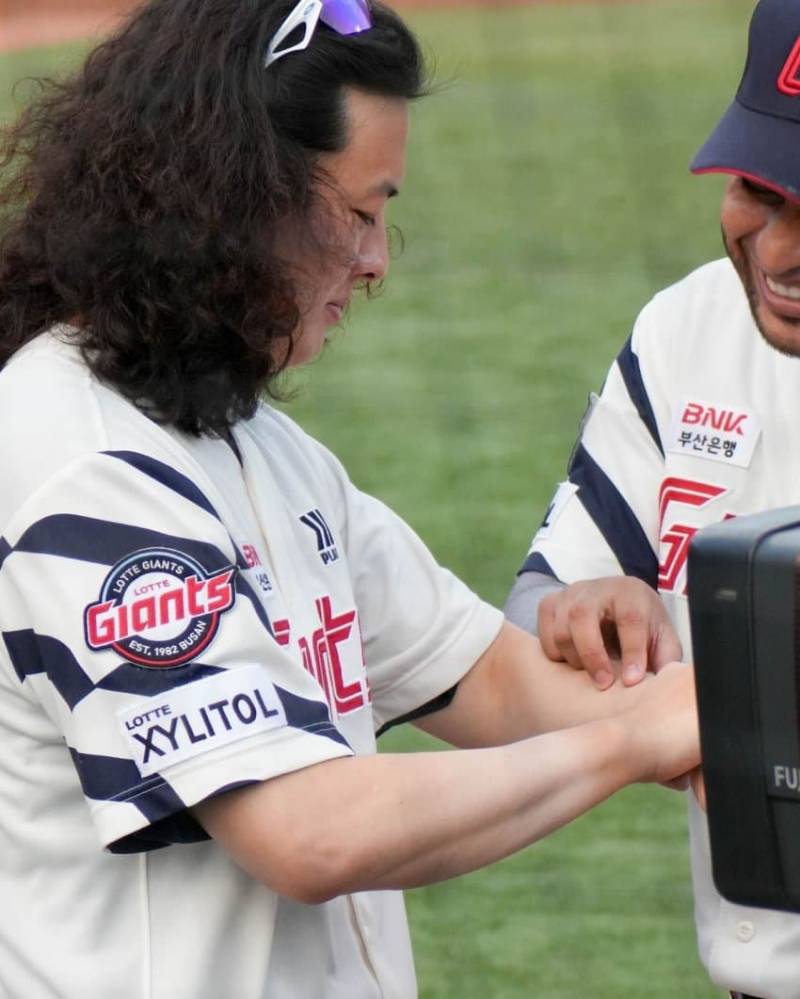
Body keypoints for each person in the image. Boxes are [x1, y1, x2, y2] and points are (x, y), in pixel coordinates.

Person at [0, 1, 699, 996]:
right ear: (228, 197)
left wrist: (726, 696)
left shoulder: (260, 449)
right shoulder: (86, 466)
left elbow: (495, 685)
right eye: (357, 213)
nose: (375, 262)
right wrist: (632, 741)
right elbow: (307, 832)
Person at [505, 1, 800, 997]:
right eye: (758, 189)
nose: (776, 250)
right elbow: (533, 606)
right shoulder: (686, 333)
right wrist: (579, 609)